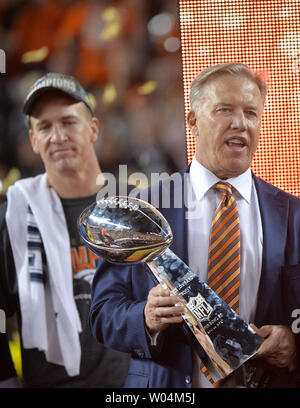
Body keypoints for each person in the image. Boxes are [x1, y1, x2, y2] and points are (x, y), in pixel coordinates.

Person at [89, 63, 300, 388]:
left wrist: (294, 342)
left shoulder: (292, 214)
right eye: (224, 110)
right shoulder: (142, 209)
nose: (240, 123)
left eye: (251, 113)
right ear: (193, 122)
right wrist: (145, 318)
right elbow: (103, 313)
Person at [0, 73, 131, 387]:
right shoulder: (13, 217)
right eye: (44, 127)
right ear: (33, 140)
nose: (57, 136)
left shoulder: (133, 206)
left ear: (93, 129)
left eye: (69, 122)